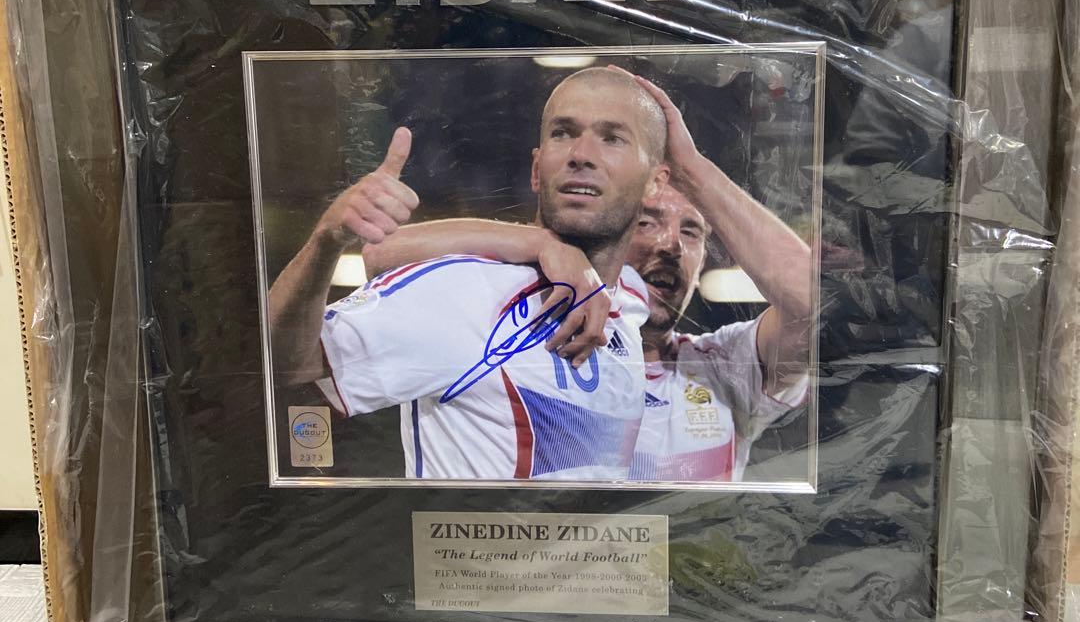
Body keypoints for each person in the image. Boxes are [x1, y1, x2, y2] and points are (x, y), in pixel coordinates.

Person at [360, 71, 812, 483]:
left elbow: (811, 303)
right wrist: (542, 245)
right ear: (617, 221)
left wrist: (691, 169)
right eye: (648, 222)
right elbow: (385, 254)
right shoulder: (508, 327)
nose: (670, 245)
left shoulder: (725, 370)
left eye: (691, 231)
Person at [267, 67, 669, 482]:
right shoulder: (466, 292)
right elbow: (284, 365)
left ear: (655, 184)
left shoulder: (630, 302)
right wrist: (326, 241)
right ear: (536, 171)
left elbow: (383, 253)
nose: (581, 154)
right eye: (563, 133)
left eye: (612, 138)